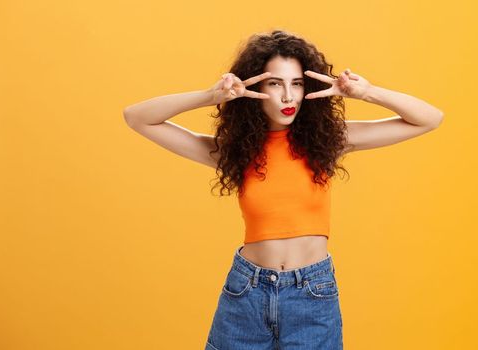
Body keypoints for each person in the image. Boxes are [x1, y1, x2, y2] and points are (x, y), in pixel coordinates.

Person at [122, 29, 443, 350]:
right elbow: (138, 118)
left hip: (312, 295)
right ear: (254, 87)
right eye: (275, 84)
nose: (289, 97)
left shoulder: (328, 142)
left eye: (297, 84)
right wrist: (211, 96)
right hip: (246, 293)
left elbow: (428, 119)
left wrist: (369, 93)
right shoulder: (235, 151)